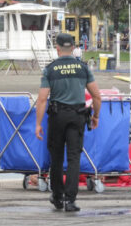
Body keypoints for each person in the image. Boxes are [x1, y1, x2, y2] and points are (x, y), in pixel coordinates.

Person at [35, 33, 101, 212]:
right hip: (77, 116)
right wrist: (95, 116)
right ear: (73, 48)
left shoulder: (50, 69)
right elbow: (96, 96)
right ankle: (70, 200)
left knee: (56, 158)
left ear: (57, 48)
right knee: (74, 158)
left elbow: (42, 99)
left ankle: (57, 197)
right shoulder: (83, 68)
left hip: (57, 117)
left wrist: (38, 123)